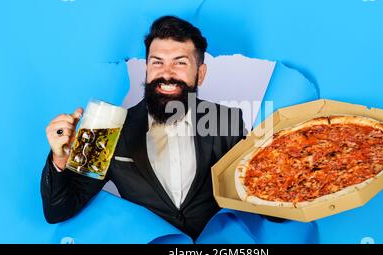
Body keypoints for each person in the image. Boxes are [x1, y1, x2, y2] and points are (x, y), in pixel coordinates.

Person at [41, 16, 246, 240]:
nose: (167, 73)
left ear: (201, 73)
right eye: (157, 62)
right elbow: (59, 210)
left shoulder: (227, 120)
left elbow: (254, 195)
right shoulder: (107, 129)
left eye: (180, 62)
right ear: (147, 68)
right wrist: (60, 157)